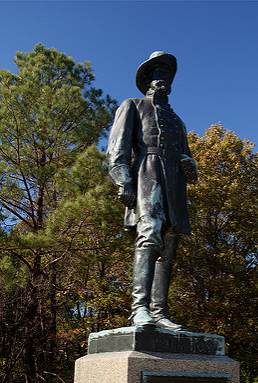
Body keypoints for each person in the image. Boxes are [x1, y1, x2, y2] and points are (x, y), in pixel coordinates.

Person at [107, 51, 198, 331]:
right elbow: (117, 149)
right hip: (147, 173)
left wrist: (190, 164)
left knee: (169, 246)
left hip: (174, 183)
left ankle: (159, 312)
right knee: (149, 236)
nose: (163, 77)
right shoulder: (133, 105)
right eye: (157, 72)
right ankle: (139, 309)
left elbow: (189, 160)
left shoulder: (177, 121)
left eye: (167, 73)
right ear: (147, 79)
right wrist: (124, 181)